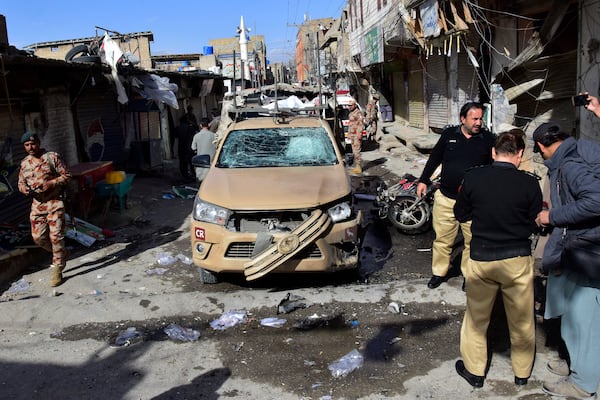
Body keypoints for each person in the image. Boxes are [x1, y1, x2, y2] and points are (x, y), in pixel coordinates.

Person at [453, 130, 542, 388]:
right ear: (520, 155)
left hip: (482, 257)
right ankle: (522, 374)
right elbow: (535, 222)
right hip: (517, 258)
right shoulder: (529, 183)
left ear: (493, 152)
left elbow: (461, 214)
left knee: (476, 320)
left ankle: (475, 373)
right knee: (522, 319)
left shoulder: (474, 178)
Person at [534, 111, 600, 399]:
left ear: (541, 146)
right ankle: (575, 363)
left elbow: (596, 201)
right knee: (569, 311)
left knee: (583, 318)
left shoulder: (571, 166)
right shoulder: (576, 155)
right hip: (577, 249)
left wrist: (554, 216)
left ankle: (583, 383)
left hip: (588, 251)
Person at [417, 102, 496, 289]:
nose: (478, 122)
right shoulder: (449, 135)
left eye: (480, 119)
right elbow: (435, 157)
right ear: (463, 119)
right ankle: (439, 273)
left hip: (473, 202)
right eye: (474, 118)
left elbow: (495, 167)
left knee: (473, 240)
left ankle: (469, 276)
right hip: (446, 198)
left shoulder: (488, 139)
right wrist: (423, 180)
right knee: (443, 239)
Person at [17, 132, 72, 287]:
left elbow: (67, 176)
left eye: (33, 144)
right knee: (38, 238)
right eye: (27, 145)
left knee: (56, 237)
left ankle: (58, 268)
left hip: (54, 202)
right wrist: (24, 190)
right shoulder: (24, 163)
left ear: (39, 143)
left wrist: (51, 183)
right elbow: (20, 183)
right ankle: (61, 253)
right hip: (37, 205)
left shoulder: (51, 157)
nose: (30, 147)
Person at [191, 118, 216, 183]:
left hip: (200, 165)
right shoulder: (214, 135)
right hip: (212, 164)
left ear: (200, 125)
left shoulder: (196, 136)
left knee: (200, 184)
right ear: (208, 125)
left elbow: (193, 148)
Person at [177, 106, 199, 180]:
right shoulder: (190, 127)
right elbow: (196, 129)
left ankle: (185, 175)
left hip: (181, 147)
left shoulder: (178, 128)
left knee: (183, 163)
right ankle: (192, 175)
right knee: (190, 162)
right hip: (188, 147)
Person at [348, 99, 365, 175]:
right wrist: (349, 134)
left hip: (356, 135)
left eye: (351, 105)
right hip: (352, 135)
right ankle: (357, 166)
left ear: (354, 105)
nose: (349, 107)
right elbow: (350, 124)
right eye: (348, 105)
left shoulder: (358, 113)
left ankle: (359, 167)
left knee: (357, 151)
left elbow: (361, 124)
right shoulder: (351, 113)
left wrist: (359, 134)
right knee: (354, 151)